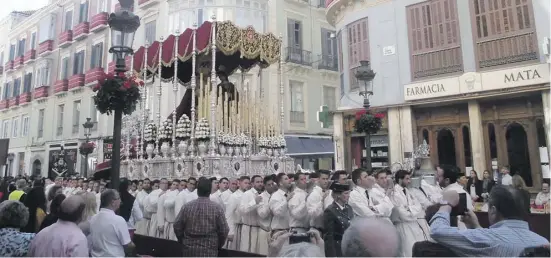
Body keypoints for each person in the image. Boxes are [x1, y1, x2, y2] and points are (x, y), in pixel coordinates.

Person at [430, 186, 548, 256]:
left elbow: (437, 231)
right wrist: (476, 226)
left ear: (493, 210)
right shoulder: (543, 242)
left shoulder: (487, 238)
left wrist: (447, 204)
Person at [173, 177, 229, 257]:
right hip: (210, 249)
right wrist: (218, 244)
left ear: (197, 191)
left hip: (189, 249)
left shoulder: (187, 207)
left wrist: (183, 240)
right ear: (209, 191)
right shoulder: (217, 208)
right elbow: (224, 229)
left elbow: (177, 225)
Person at [390, 170, 428, 257]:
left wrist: (409, 209)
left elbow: (418, 206)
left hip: (414, 224)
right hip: (403, 226)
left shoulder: (408, 191)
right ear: (400, 180)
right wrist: (411, 211)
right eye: (407, 179)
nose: (409, 181)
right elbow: (402, 213)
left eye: (409, 178)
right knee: (407, 251)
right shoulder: (394, 193)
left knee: (419, 249)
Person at [88, 189, 135, 256]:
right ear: (113, 202)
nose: (120, 201)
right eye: (119, 198)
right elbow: (127, 244)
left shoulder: (93, 218)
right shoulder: (118, 220)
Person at [323, 182, 353, 257]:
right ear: (338, 195)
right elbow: (329, 236)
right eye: (346, 193)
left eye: (349, 193)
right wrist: (331, 255)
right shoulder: (330, 211)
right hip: (338, 247)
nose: (348, 196)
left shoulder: (349, 208)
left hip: (349, 247)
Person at [237, 175, 264, 253]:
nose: (260, 184)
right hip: (249, 229)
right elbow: (242, 210)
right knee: (248, 252)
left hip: (260, 229)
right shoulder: (247, 194)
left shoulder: (263, 194)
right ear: (252, 184)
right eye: (257, 182)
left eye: (261, 182)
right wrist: (254, 202)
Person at [224, 175, 249, 249]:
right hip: (236, 228)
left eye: (248, 183)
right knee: (236, 249)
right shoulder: (234, 196)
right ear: (239, 183)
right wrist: (230, 232)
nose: (247, 185)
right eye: (245, 183)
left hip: (246, 227)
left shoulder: (248, 195)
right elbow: (229, 214)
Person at [257, 174, 276, 255]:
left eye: (272, 184)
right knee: (264, 254)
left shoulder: (278, 195)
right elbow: (262, 214)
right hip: (265, 231)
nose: (271, 186)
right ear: (264, 186)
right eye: (269, 185)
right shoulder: (260, 197)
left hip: (276, 231)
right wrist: (270, 201)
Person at [269, 173, 292, 238]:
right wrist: (286, 201)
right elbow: (277, 212)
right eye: (286, 179)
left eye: (288, 178)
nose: (289, 180)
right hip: (279, 231)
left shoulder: (289, 194)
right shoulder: (275, 196)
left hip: (290, 230)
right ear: (281, 183)